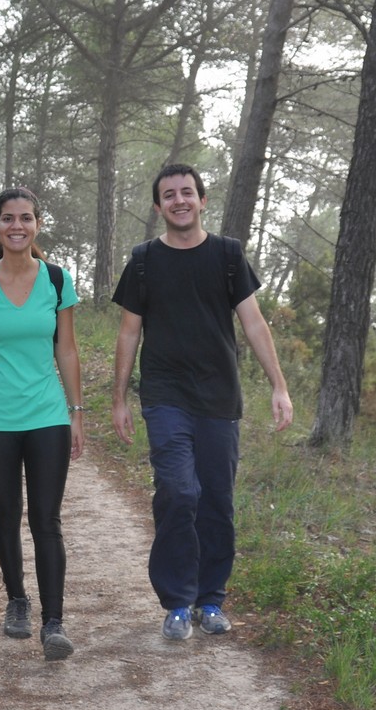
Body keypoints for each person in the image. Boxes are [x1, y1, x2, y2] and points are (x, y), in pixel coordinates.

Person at [111, 163, 293, 641]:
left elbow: (254, 323)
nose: (180, 200)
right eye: (169, 195)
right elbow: (129, 333)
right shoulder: (144, 261)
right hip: (165, 396)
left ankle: (210, 600)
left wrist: (279, 385)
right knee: (178, 492)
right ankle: (177, 602)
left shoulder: (228, 255)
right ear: (158, 207)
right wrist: (119, 398)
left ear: (202, 200)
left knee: (216, 501)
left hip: (219, 398)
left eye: (187, 192)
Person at [0, 188, 84, 661]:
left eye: (26, 218)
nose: (17, 226)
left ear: (38, 224)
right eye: (8, 218)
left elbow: (66, 349)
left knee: (47, 519)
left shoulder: (57, 280)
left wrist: (76, 412)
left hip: (47, 417)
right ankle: (17, 601)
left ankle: (54, 622)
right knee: (5, 512)